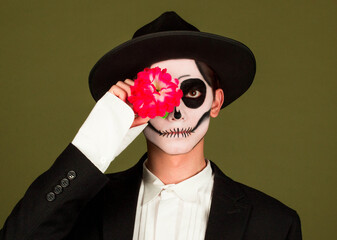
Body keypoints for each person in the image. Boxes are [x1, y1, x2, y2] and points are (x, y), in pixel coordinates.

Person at [0, 12, 302, 240]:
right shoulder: (81, 208)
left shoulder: (273, 223)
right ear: (134, 99)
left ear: (216, 102)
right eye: (157, 93)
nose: (175, 113)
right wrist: (98, 140)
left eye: (192, 92)